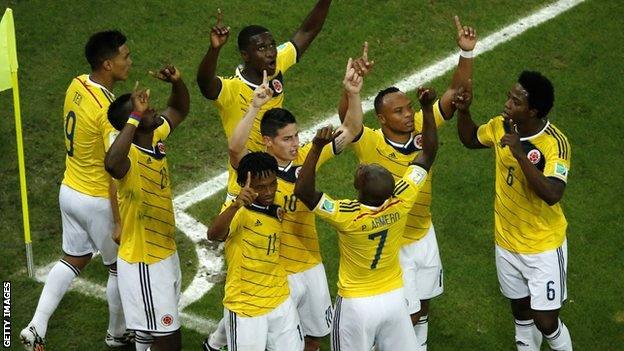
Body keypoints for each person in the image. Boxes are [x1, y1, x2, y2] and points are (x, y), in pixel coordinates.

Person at [337, 16, 476, 349]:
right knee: (406, 315)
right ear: (382, 118)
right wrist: (350, 88)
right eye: (398, 111)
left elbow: (456, 95)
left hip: (423, 232)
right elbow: (346, 119)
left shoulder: (421, 131)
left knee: (424, 304)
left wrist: (466, 54)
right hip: (392, 239)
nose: (407, 114)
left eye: (409, 108)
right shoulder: (367, 140)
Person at [211, 57, 362, 351]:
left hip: (310, 262)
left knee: (316, 334)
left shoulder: (307, 157)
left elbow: (352, 129)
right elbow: (233, 147)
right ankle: (219, 340)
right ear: (267, 142)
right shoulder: (256, 172)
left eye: (296, 136)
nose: (295, 144)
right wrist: (254, 107)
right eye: (287, 139)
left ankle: (217, 341)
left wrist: (353, 93)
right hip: (277, 274)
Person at [295, 86, 439, 351]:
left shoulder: (347, 215)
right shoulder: (402, 199)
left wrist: (315, 147)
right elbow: (427, 154)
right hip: (395, 299)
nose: (362, 165)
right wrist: (428, 109)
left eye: (364, 170)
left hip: (357, 305)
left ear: (359, 186)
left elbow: (303, 191)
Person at [20, 30, 132, 351]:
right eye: (125, 56)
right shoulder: (109, 113)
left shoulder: (76, 84)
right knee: (117, 268)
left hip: (69, 191)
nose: (130, 61)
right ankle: (116, 334)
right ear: (108, 64)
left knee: (73, 258)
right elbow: (114, 169)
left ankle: (35, 326)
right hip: (97, 199)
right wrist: (119, 219)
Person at [455, 71, 572, 351]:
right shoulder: (500, 126)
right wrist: (464, 111)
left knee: (545, 321)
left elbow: (552, 194)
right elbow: (471, 138)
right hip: (506, 243)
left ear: (533, 110)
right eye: (509, 96)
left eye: (516, 101)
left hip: (542, 247)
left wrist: (520, 154)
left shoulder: (555, 143)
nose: (507, 103)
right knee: (520, 312)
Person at [196, 0, 332, 205]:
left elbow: (307, 30)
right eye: (261, 48)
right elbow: (205, 83)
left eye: (271, 45)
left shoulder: (275, 67)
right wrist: (214, 49)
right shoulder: (232, 89)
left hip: (277, 176)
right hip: (246, 183)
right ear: (245, 56)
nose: (270, 52)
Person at [104, 64, 190, 351]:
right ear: (132, 120)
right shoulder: (127, 158)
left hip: (165, 254)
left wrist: (177, 82)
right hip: (145, 262)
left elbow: (178, 110)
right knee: (169, 340)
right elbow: (111, 164)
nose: (151, 109)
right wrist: (135, 116)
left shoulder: (155, 138)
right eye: (143, 109)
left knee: (151, 333)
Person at [207, 152, 304, 351]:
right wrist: (236, 205)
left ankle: (214, 343)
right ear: (245, 184)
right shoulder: (237, 210)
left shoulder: (278, 200)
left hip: (280, 298)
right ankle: (214, 343)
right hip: (246, 307)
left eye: (272, 184)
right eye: (260, 187)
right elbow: (214, 234)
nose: (269, 191)